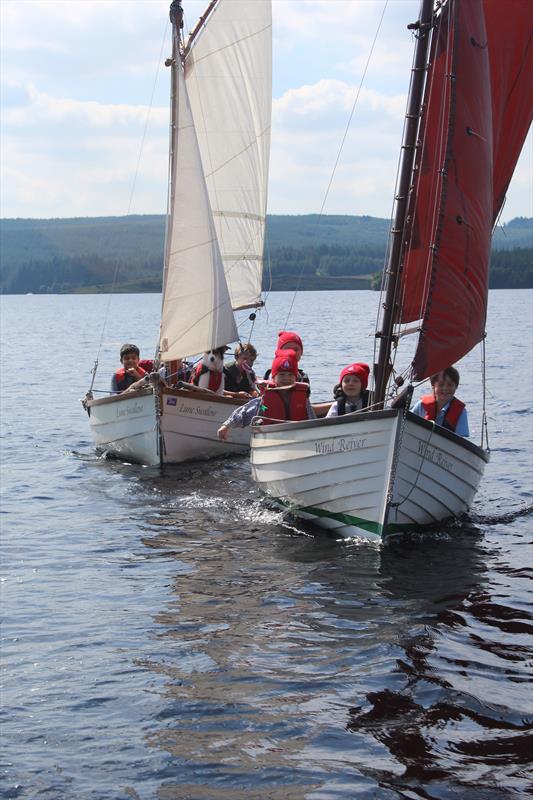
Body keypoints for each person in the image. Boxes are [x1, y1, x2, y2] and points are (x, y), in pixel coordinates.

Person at [217, 350, 315, 441]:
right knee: (261, 410)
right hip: (272, 440)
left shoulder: (303, 400)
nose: (286, 378)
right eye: (282, 375)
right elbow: (244, 412)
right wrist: (226, 425)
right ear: (274, 378)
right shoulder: (264, 402)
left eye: (290, 375)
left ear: (296, 377)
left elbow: (312, 419)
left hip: (298, 440)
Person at [411, 366, 469, 437]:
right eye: (441, 385)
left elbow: (462, 439)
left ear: (456, 386)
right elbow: (406, 422)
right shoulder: (421, 405)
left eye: (450, 385)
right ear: (433, 385)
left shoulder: (461, 412)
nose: (445, 388)